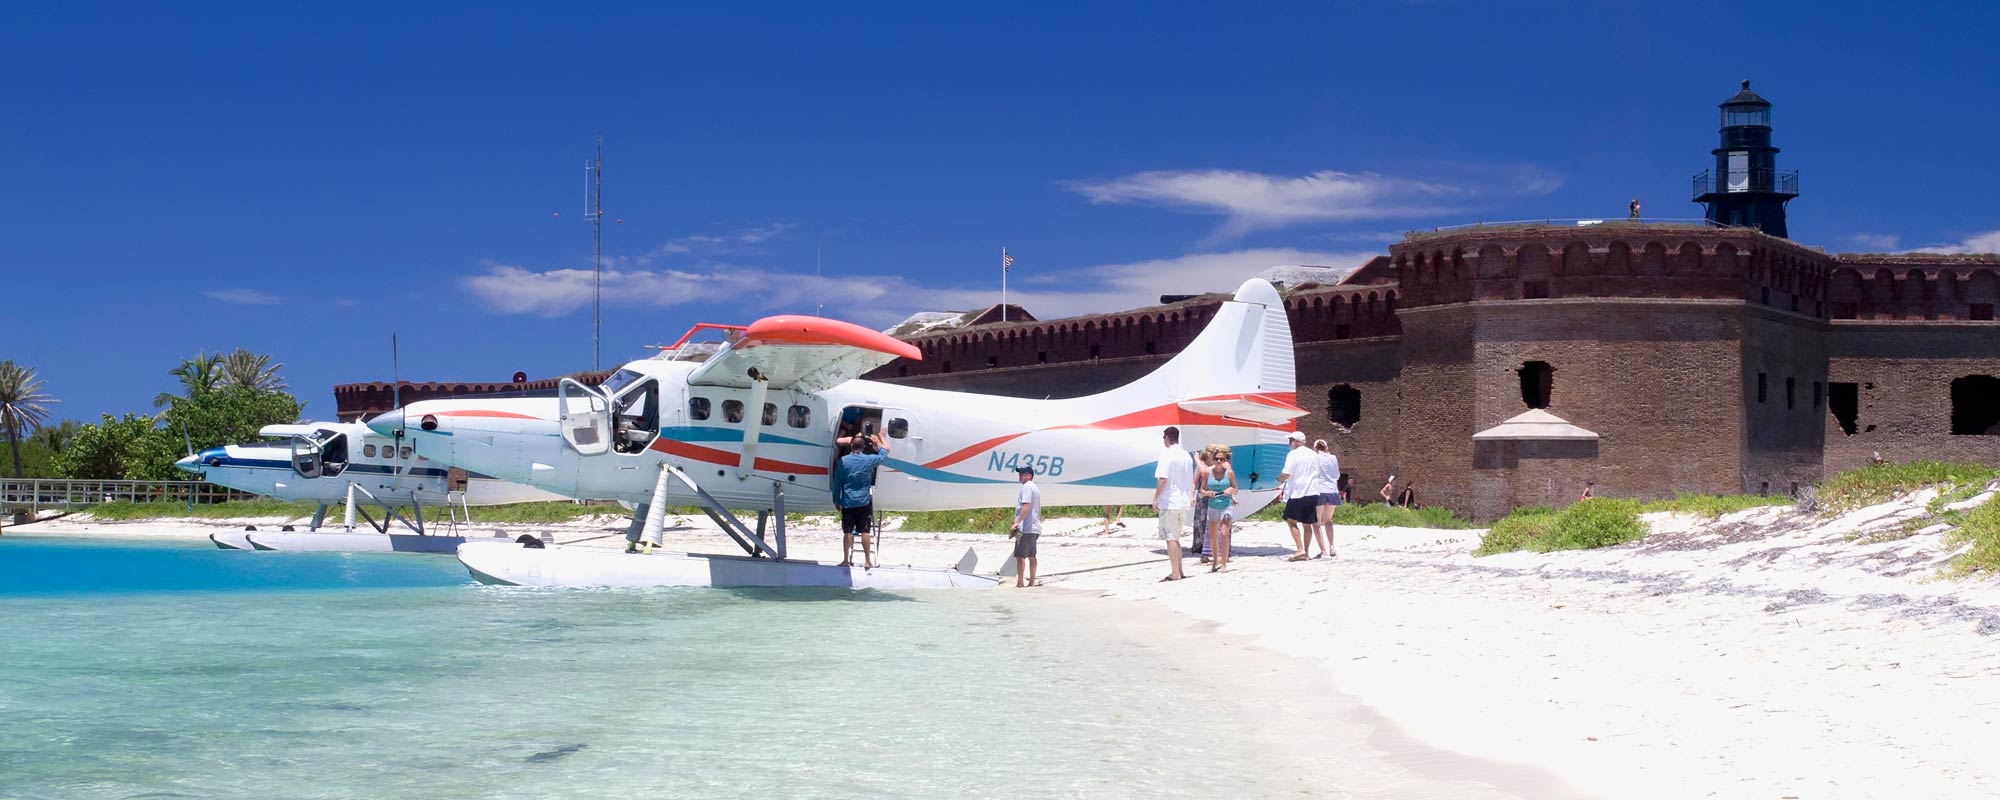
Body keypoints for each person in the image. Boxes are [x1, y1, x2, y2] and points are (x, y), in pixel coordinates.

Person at [834, 428, 890, 569]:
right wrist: (879, 440)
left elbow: (837, 483)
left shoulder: (843, 461)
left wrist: (836, 500)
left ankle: (845, 560)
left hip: (848, 501)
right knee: (865, 531)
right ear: (864, 447)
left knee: (847, 531)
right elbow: (884, 454)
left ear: (851, 446)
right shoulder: (869, 459)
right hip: (864, 501)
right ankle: (867, 560)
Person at [1153, 426, 1195, 581]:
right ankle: (1180, 570)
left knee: (1170, 537)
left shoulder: (1167, 454)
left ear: (1166, 438)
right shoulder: (1186, 455)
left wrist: (1156, 498)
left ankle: (1175, 572)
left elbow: (1163, 479)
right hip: (1183, 501)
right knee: (1175, 536)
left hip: (1170, 500)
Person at [1276, 431, 1319, 561]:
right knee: (1307, 523)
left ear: (1295, 441)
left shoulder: (1293, 454)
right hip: (1313, 491)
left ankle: (1300, 549)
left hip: (1298, 492)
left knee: (1290, 520)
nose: (1289, 443)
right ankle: (1306, 552)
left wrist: (1279, 479)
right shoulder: (1313, 454)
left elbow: (1286, 473)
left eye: (1290, 441)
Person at [1199, 444, 1238, 573]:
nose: (1219, 461)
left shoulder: (1229, 473)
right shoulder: (1207, 473)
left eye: (1222, 459)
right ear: (1213, 460)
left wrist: (1230, 490)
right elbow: (1202, 490)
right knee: (1213, 536)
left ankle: (1224, 562)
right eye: (1217, 459)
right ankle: (1215, 560)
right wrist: (1207, 493)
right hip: (1213, 505)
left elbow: (1236, 489)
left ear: (1225, 460)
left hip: (1226, 505)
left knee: (1224, 534)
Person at [1011, 465, 1043, 587]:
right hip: (1034, 527)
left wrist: (1017, 522)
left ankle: (1020, 583)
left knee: (1020, 556)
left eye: (1022, 474)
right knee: (1031, 555)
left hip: (1025, 527)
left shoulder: (1026, 487)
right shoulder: (1035, 488)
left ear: (1029, 475)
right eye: (1020, 473)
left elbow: (1026, 505)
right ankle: (1032, 582)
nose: (1020, 476)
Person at [1311, 439, 1341, 558]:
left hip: (1319, 490)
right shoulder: (1333, 458)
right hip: (1333, 490)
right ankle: (1332, 547)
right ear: (1326, 447)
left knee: (1316, 523)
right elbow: (1337, 475)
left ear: (1315, 448)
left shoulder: (1314, 457)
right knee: (1328, 520)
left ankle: (1323, 550)